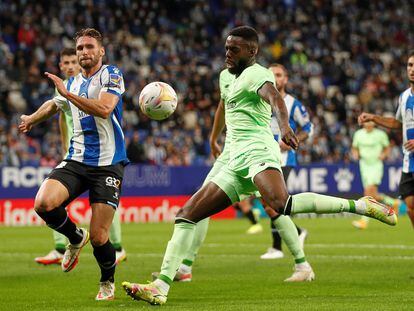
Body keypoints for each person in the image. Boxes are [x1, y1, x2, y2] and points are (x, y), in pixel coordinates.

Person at [122, 26, 396, 306]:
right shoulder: (225, 76)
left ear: (252, 51)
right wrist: (214, 136)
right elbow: (223, 106)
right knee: (187, 215)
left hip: (258, 151)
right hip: (231, 158)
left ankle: (360, 206)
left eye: (234, 49)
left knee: (281, 204)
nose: (228, 53)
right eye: (227, 47)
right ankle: (161, 286)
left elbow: (275, 98)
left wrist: (286, 125)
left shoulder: (259, 74)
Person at [19, 28, 128, 301]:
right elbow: (53, 105)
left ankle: (106, 281)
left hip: (108, 163)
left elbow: (104, 108)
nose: (84, 52)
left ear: (101, 51)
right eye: (80, 48)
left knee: (101, 237)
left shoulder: (111, 75)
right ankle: (76, 237)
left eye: (89, 47)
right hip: (77, 159)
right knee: (43, 203)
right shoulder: (73, 83)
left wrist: (67, 95)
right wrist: (32, 118)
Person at [357, 50, 414, 228]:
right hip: (409, 161)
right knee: (411, 206)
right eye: (410, 65)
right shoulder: (404, 97)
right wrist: (374, 118)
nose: (412, 69)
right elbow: (397, 123)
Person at [261, 63, 312, 259]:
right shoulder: (261, 100)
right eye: (272, 75)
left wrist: (292, 140)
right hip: (264, 155)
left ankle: (278, 246)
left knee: (272, 202)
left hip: (284, 158)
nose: (276, 78)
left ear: (286, 79)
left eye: (280, 75)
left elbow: (309, 127)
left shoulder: (293, 103)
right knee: (269, 203)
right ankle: (294, 235)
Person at [351, 121, 401, 229]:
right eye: (366, 122)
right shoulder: (358, 134)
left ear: (374, 124)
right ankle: (393, 202)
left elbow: (387, 147)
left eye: (370, 122)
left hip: (376, 165)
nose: (368, 124)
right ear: (363, 124)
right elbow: (354, 147)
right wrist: (355, 154)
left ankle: (364, 221)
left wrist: (384, 155)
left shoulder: (380, 134)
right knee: (373, 194)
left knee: (368, 192)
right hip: (364, 165)